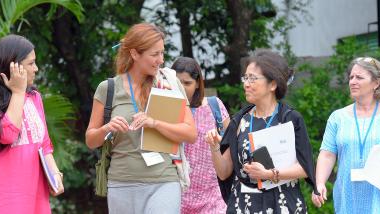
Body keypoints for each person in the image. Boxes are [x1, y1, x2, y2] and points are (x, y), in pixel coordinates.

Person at [85, 23, 197, 213]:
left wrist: (155, 123)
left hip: (164, 180)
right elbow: (90, 140)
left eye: (162, 53)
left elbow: (190, 133)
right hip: (121, 182)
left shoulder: (169, 83)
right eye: (155, 54)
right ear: (135, 54)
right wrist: (107, 128)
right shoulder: (108, 88)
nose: (161, 60)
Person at [206, 50, 318, 213]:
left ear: (272, 84)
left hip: (283, 203)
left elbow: (305, 167)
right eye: (245, 78)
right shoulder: (239, 121)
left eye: (253, 78)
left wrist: (270, 174)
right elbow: (224, 173)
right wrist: (215, 146)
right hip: (245, 205)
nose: (246, 83)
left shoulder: (289, 119)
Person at [0, 34, 64, 214]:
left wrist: (55, 175)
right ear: (12, 66)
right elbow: (8, 135)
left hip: (33, 196)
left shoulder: (34, 98)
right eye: (30, 63)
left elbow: (44, 145)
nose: (36, 68)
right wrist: (18, 93)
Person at [311, 57, 380, 213]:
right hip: (348, 198)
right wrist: (319, 184)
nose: (352, 81)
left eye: (359, 77)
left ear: (376, 83)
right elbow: (327, 155)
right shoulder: (337, 117)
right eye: (351, 77)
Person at [172, 57, 230, 214]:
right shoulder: (167, 110)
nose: (182, 88)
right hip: (176, 196)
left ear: (198, 83)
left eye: (187, 83)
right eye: (178, 83)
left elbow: (232, 143)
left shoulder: (214, 105)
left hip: (213, 195)